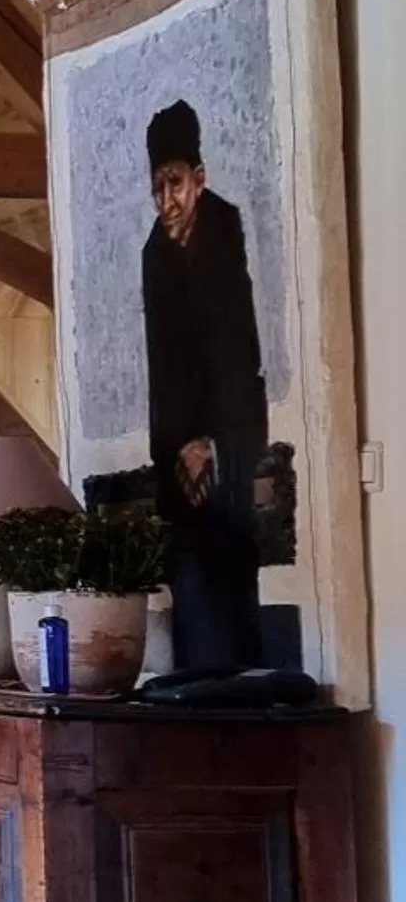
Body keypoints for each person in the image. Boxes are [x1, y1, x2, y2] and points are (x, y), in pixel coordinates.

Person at [140, 99, 268, 671]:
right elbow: (164, 370)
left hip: (232, 435)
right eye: (157, 188)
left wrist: (213, 441)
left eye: (175, 184)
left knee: (232, 584)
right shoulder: (154, 253)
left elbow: (234, 352)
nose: (167, 201)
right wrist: (176, 448)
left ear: (199, 178)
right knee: (190, 586)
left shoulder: (225, 230)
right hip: (177, 449)